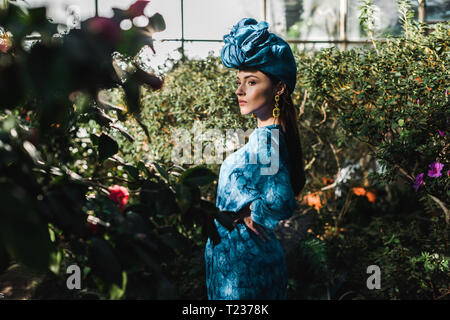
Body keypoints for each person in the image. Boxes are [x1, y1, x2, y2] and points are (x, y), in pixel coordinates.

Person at [204, 17, 306, 300]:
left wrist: (248, 214)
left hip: (243, 271)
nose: (240, 90)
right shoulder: (269, 136)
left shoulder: (266, 139)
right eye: (239, 82)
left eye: (251, 82)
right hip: (242, 265)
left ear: (279, 87)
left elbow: (282, 200)